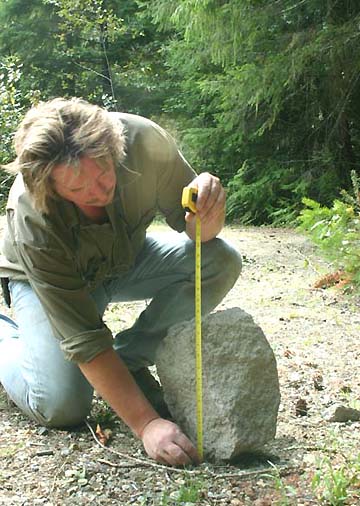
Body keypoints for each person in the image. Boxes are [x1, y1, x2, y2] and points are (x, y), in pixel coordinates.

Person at [0, 98, 241, 466]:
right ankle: (5, 335)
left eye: (103, 175)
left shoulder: (143, 141)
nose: (98, 193)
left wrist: (209, 210)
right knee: (61, 406)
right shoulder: (33, 216)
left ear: (114, 149)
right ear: (49, 186)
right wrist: (146, 424)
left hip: (123, 259)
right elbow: (84, 335)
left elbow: (198, 234)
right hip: (46, 283)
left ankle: (130, 358)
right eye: (78, 190)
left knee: (219, 260)